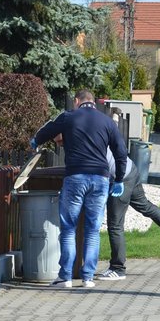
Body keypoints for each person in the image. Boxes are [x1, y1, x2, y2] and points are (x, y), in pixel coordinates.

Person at [32, 90, 127, 288]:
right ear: (93, 102)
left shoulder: (68, 117)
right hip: (100, 179)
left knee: (68, 229)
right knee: (92, 230)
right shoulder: (107, 122)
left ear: (77, 101)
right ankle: (88, 278)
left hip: (75, 177)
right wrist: (118, 179)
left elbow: (47, 130)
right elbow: (120, 152)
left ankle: (65, 277)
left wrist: (35, 142)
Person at [99, 149, 160, 281]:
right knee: (145, 206)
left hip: (120, 177)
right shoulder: (99, 129)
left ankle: (118, 269)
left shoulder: (79, 135)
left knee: (115, 225)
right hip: (130, 169)